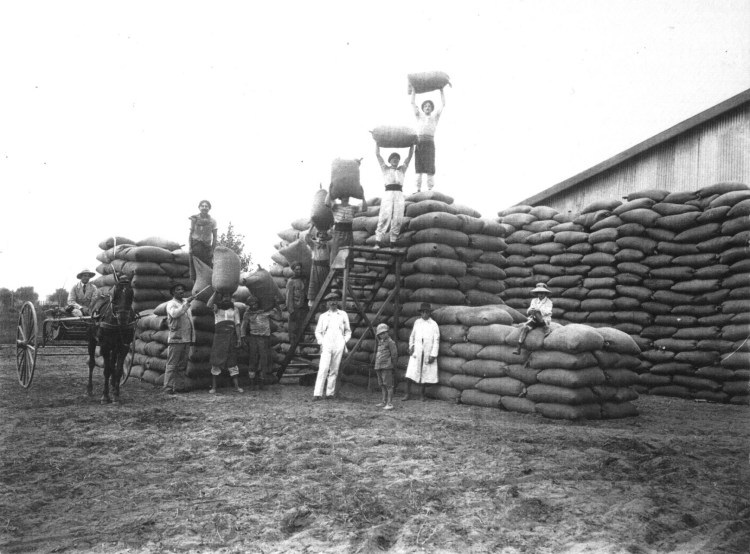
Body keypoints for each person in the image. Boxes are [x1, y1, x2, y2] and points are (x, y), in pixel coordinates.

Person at [313, 292, 351, 400]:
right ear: (327, 303)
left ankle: (330, 393)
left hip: (339, 343)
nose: (333, 302)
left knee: (334, 369)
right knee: (323, 368)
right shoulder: (323, 316)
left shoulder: (343, 314)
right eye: (330, 300)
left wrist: (344, 341)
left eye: (335, 300)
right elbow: (318, 332)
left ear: (337, 302)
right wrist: (321, 342)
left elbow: (348, 331)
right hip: (327, 343)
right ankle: (317, 393)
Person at [374, 145, 413, 247]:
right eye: (393, 159)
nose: (395, 160)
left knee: (398, 217)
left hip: (399, 194)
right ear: (390, 160)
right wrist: (377, 143)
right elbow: (378, 155)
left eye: (397, 159)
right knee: (385, 215)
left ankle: (393, 241)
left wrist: (412, 145)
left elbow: (409, 157)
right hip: (388, 193)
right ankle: (378, 241)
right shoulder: (385, 169)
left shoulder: (401, 170)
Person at [411, 87, 446, 192]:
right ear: (422, 108)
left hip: (429, 143)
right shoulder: (419, 116)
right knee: (418, 166)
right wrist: (413, 90)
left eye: (429, 106)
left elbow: (443, 104)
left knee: (430, 165)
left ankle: (430, 189)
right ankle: (418, 189)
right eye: (425, 106)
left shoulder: (435, 117)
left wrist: (441, 90)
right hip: (419, 142)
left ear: (431, 108)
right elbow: (412, 103)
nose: (427, 107)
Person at [207, 292, 243, 394]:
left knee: (232, 359)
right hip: (219, 337)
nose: (226, 298)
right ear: (221, 298)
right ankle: (214, 387)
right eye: (224, 296)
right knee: (216, 360)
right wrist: (215, 293)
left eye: (228, 296)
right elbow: (208, 305)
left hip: (231, 336)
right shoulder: (216, 308)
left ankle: (236, 386)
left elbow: (237, 324)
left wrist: (239, 339)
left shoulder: (235, 309)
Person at [403, 302, 440, 401]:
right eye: (423, 312)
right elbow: (412, 336)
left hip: (427, 352)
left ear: (429, 313)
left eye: (427, 312)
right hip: (417, 351)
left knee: (424, 373)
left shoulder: (433, 324)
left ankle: (422, 395)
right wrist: (411, 346)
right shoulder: (417, 322)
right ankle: (407, 394)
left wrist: (433, 354)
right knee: (410, 373)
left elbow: (436, 341)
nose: (425, 314)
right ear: (420, 313)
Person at [241, 296, 279, 389]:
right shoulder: (248, 314)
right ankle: (252, 383)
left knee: (264, 360)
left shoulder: (265, 311)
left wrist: (276, 306)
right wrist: (242, 338)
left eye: (255, 303)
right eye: (251, 304)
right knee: (253, 359)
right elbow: (243, 326)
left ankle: (262, 381)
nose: (254, 306)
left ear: (258, 303)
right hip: (254, 338)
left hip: (265, 338)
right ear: (249, 305)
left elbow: (278, 316)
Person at [164, 283, 196, 395]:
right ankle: (168, 387)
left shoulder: (185, 303)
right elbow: (175, 314)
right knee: (172, 364)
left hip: (186, 338)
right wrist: (187, 303)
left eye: (182, 289)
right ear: (173, 292)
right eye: (178, 289)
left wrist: (192, 337)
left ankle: (179, 386)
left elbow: (190, 321)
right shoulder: (171, 304)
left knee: (182, 365)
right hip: (176, 339)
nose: (181, 291)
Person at [326, 194, 367, 265]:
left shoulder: (352, 207)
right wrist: (329, 191)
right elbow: (326, 203)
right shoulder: (336, 207)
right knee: (336, 254)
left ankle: (346, 273)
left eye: (347, 196)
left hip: (348, 233)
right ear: (340, 198)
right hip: (338, 233)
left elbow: (364, 209)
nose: (346, 198)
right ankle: (334, 272)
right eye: (344, 196)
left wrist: (363, 197)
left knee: (348, 255)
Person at [513, 283, 554, 355]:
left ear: (545, 293)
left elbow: (548, 311)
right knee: (525, 328)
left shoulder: (549, 302)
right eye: (539, 293)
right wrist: (531, 311)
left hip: (543, 320)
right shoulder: (534, 300)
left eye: (542, 293)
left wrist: (538, 311)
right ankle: (518, 347)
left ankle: (546, 328)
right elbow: (529, 310)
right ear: (537, 293)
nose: (540, 295)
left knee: (537, 312)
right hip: (535, 320)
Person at [188, 200, 218, 280]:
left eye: (206, 206)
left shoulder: (213, 221)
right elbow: (191, 233)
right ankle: (195, 289)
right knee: (195, 269)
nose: (204, 208)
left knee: (207, 268)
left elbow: (215, 237)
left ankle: (206, 289)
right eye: (202, 206)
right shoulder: (194, 219)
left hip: (206, 247)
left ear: (209, 208)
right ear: (199, 207)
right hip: (196, 245)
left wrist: (212, 250)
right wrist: (190, 247)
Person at [374, 323, 398, 410]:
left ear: (387, 332)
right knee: (382, 385)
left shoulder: (391, 342)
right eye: (380, 334)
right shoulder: (380, 342)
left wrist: (393, 366)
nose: (382, 335)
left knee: (388, 385)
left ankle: (389, 403)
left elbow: (394, 355)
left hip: (387, 366)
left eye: (384, 333)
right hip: (379, 366)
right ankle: (383, 401)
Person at [305, 228, 331, 307]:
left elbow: (335, 239)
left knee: (325, 285)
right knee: (314, 284)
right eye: (320, 234)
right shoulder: (314, 244)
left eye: (324, 234)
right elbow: (306, 238)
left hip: (326, 268)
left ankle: (325, 304)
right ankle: (312, 304)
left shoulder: (328, 244)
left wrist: (331, 228)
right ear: (317, 235)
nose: (322, 236)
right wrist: (312, 226)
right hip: (316, 268)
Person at [285, 261, 309, 349]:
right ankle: (293, 348)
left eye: (300, 269)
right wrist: (291, 310)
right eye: (296, 269)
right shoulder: (291, 281)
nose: (298, 271)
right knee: (293, 329)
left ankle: (301, 348)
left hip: (303, 308)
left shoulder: (304, 279)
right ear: (293, 270)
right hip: (295, 308)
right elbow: (288, 296)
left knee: (301, 328)